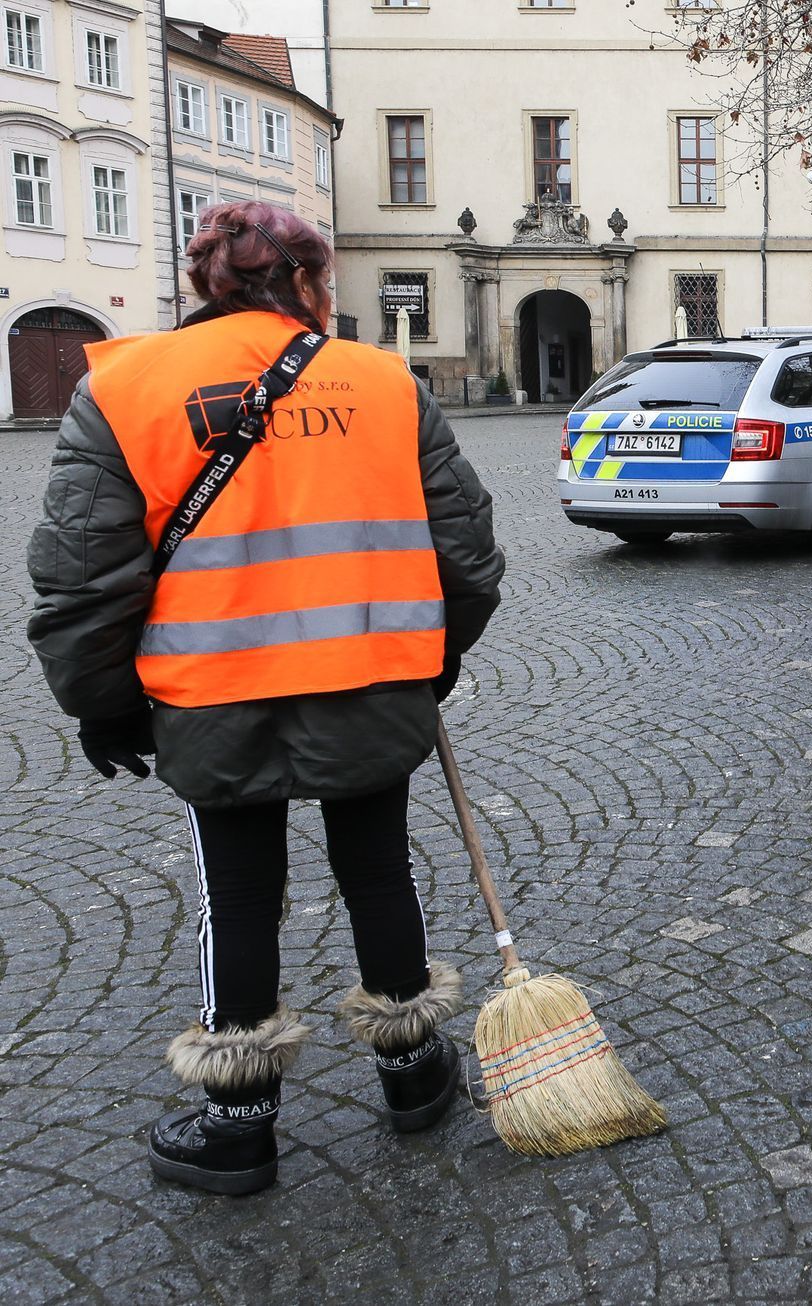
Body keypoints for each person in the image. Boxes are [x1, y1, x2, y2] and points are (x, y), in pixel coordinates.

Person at [26, 201, 506, 1196]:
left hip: (212, 695)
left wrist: (102, 703)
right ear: (309, 282)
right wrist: (434, 657)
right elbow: (467, 552)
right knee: (378, 870)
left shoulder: (123, 388)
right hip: (372, 680)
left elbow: (83, 575)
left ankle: (238, 1118)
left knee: (237, 896)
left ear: (207, 283)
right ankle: (414, 1071)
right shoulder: (384, 383)